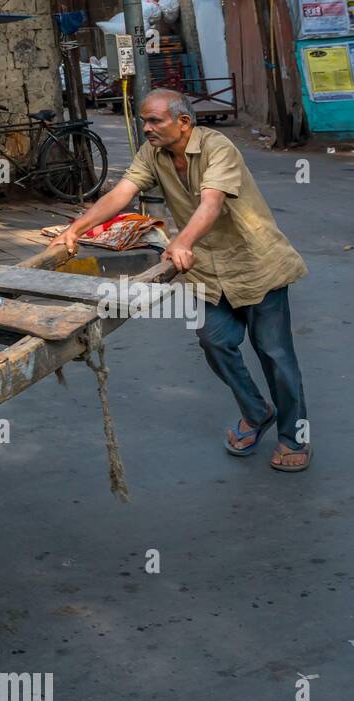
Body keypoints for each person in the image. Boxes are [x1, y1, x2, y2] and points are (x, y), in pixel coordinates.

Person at [49, 90, 311, 472]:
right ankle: (257, 413)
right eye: (144, 120)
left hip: (255, 264)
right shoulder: (152, 154)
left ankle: (293, 437)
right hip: (205, 270)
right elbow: (123, 192)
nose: (147, 127)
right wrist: (76, 229)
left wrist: (182, 241)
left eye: (155, 121)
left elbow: (212, 202)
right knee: (214, 340)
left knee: (275, 354)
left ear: (183, 122)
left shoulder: (216, 146)